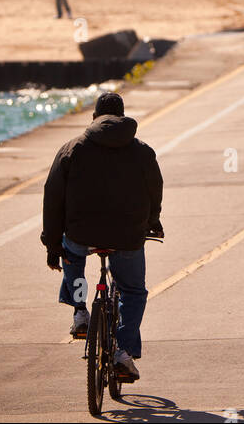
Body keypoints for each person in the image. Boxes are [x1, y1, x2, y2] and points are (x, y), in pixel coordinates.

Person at [41, 92, 163, 383]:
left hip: (81, 233)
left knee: (73, 256)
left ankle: (81, 311)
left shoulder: (72, 148)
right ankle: (123, 352)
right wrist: (153, 222)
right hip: (128, 235)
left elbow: (52, 196)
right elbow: (154, 190)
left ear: (94, 117)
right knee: (133, 292)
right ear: (122, 117)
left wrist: (51, 243)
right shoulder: (142, 151)